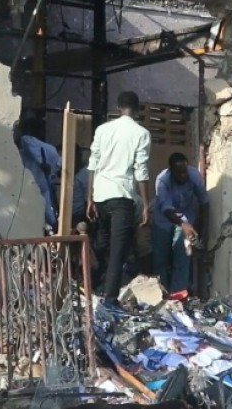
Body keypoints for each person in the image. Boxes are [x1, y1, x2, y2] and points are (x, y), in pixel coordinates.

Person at [86, 91, 151, 307]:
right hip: (121, 197)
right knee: (117, 250)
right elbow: (141, 171)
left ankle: (97, 288)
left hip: (100, 195)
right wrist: (145, 205)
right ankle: (110, 299)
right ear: (137, 109)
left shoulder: (102, 130)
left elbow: (92, 164)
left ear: (117, 108)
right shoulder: (141, 134)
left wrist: (89, 198)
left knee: (103, 245)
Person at [152, 152, 209, 296]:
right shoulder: (162, 180)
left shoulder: (194, 176)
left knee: (183, 257)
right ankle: (161, 294)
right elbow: (166, 209)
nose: (184, 175)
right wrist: (183, 224)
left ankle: (178, 296)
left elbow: (204, 203)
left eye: (185, 171)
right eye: (179, 173)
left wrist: (202, 232)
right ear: (171, 171)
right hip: (164, 219)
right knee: (161, 259)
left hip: (187, 217)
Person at [16, 117, 61, 234]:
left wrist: (41, 163)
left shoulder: (28, 142)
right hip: (40, 188)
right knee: (47, 216)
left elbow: (25, 139)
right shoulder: (51, 149)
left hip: (35, 187)